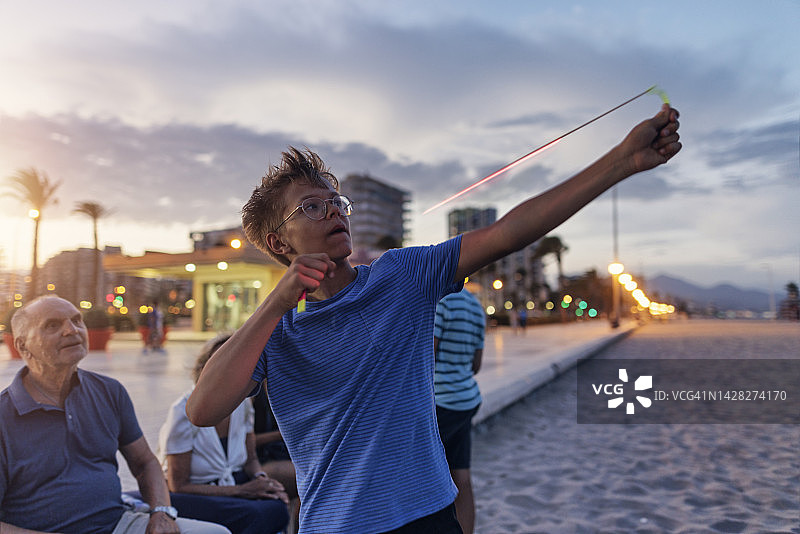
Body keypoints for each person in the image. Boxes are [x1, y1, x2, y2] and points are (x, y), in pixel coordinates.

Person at [186, 104, 681, 533]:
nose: (334, 212)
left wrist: (622, 161)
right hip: (336, 524)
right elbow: (203, 410)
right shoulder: (275, 332)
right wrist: (276, 304)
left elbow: (508, 233)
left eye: (337, 202)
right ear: (279, 241)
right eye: (312, 207)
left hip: (427, 515)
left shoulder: (401, 275)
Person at [0, 296, 230, 534]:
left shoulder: (109, 391)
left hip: (118, 524)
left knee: (217, 533)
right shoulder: (4, 416)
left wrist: (162, 512)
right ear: (23, 346)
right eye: (52, 325)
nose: (72, 330)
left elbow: (145, 462)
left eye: (77, 321)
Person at [155, 334, 289, 534]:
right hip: (194, 494)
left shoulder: (243, 404)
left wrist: (262, 480)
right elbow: (178, 485)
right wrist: (241, 491)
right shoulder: (183, 410)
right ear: (205, 369)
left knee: (277, 503)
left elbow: (251, 459)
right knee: (261, 513)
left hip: (233, 485)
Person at [433, 288, 486, 534]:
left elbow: (427, 354)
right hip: (465, 400)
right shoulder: (475, 306)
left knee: (423, 477)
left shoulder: (441, 302)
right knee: (461, 475)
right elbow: (476, 364)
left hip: (439, 402)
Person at [252, 386, 300, 533]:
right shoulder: (253, 396)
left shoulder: (289, 391)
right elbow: (244, 441)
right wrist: (281, 434)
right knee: (308, 478)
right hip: (261, 461)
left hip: (285, 456)